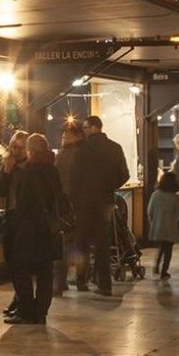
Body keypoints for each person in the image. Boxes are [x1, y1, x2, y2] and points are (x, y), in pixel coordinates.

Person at [5, 133, 61, 324]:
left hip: (28, 229)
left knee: (21, 269)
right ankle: (41, 312)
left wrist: (14, 226)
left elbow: (23, 205)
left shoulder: (29, 173)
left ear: (30, 151)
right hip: (49, 229)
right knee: (45, 272)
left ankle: (26, 311)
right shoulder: (53, 170)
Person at [76, 116, 129, 296]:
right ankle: (104, 283)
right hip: (105, 201)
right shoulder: (115, 148)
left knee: (82, 242)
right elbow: (124, 174)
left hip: (83, 202)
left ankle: (81, 280)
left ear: (93, 127)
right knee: (102, 243)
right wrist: (110, 187)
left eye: (85, 127)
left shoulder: (82, 149)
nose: (83, 130)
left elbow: (73, 175)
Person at [0, 130, 29, 315]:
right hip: (11, 219)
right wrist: (6, 172)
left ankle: (23, 301)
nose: (16, 151)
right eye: (14, 147)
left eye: (20, 148)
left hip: (25, 220)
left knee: (20, 263)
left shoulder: (31, 167)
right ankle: (18, 298)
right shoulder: (9, 165)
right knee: (11, 261)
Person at [54, 124, 85, 295]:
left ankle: (60, 282)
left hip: (64, 206)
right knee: (80, 245)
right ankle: (80, 280)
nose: (63, 137)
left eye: (66, 134)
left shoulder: (63, 155)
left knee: (66, 243)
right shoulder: (83, 154)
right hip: (81, 205)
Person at [147, 172, 179, 279]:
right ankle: (164, 271)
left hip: (157, 227)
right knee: (168, 250)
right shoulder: (174, 197)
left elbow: (150, 211)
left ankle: (156, 266)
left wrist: (153, 222)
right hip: (170, 228)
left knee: (161, 247)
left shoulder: (155, 194)